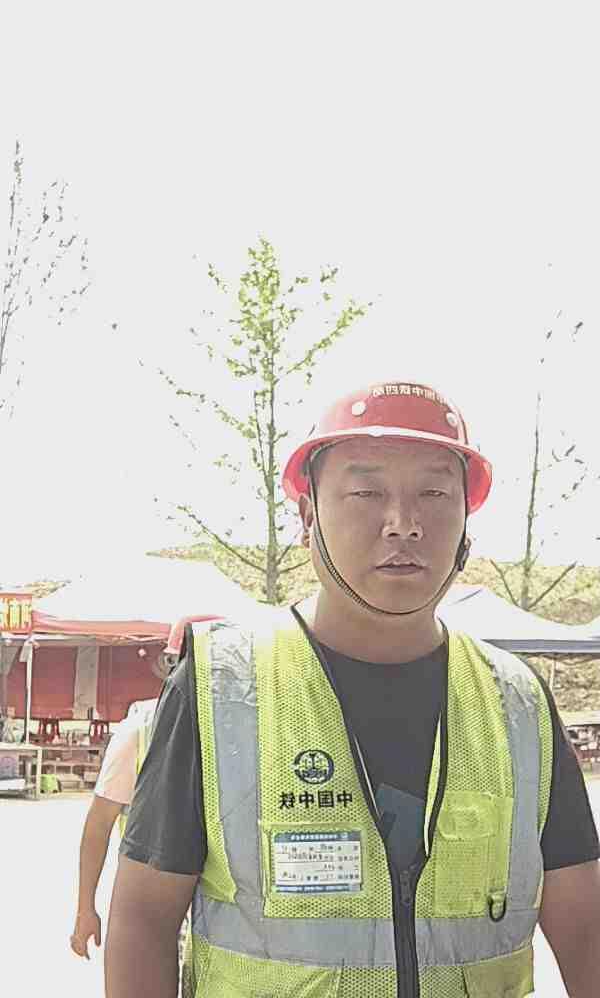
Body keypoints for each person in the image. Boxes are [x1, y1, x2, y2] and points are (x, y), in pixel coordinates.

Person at [105, 380, 600, 998]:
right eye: (366, 492)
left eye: (434, 493)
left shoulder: (518, 703)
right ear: (308, 518)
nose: (404, 524)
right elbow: (144, 919)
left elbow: (585, 926)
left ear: (466, 524)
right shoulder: (222, 688)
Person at [69, 650, 174, 960]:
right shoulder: (140, 729)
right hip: (149, 892)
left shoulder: (234, 727)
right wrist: (85, 908)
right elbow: (99, 823)